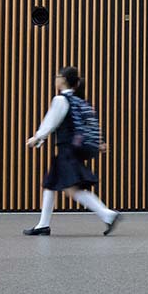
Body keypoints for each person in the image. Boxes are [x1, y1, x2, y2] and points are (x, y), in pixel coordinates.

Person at [23, 66, 122, 236]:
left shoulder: (61, 100)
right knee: (50, 185)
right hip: (71, 151)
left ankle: (108, 214)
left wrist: (37, 138)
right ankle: (43, 224)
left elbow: (50, 122)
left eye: (58, 76)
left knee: (72, 190)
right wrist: (97, 144)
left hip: (66, 152)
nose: (55, 78)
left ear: (63, 80)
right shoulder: (79, 102)